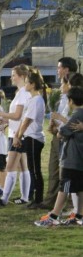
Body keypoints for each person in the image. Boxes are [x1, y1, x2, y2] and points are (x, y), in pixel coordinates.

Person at [34, 86, 83, 226]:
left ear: (71, 100)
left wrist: (59, 128)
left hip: (71, 159)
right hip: (80, 158)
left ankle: (54, 216)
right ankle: (79, 215)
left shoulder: (77, 114)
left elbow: (62, 133)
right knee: (80, 188)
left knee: (64, 187)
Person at [0, 64, 31, 207]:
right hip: (17, 132)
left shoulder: (24, 93)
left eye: (14, 75)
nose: (11, 77)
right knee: (23, 167)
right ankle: (25, 197)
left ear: (22, 76)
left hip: (18, 134)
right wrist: (5, 119)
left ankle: (4, 199)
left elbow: (19, 115)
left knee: (10, 166)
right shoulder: (20, 92)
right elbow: (18, 116)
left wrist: (2, 114)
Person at [14, 67, 47, 209]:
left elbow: (27, 121)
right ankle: (35, 198)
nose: (25, 84)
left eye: (27, 82)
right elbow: (24, 119)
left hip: (33, 138)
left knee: (34, 169)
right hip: (29, 137)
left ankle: (38, 199)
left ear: (33, 84)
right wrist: (18, 135)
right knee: (32, 168)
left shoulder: (36, 100)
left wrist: (18, 137)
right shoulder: (32, 99)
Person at [40, 72, 72, 209]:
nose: (61, 85)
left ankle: (71, 205)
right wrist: (53, 124)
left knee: (66, 173)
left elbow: (70, 121)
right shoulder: (60, 97)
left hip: (68, 139)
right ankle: (50, 201)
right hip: (57, 136)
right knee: (53, 170)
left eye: (64, 83)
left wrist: (60, 121)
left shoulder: (73, 101)